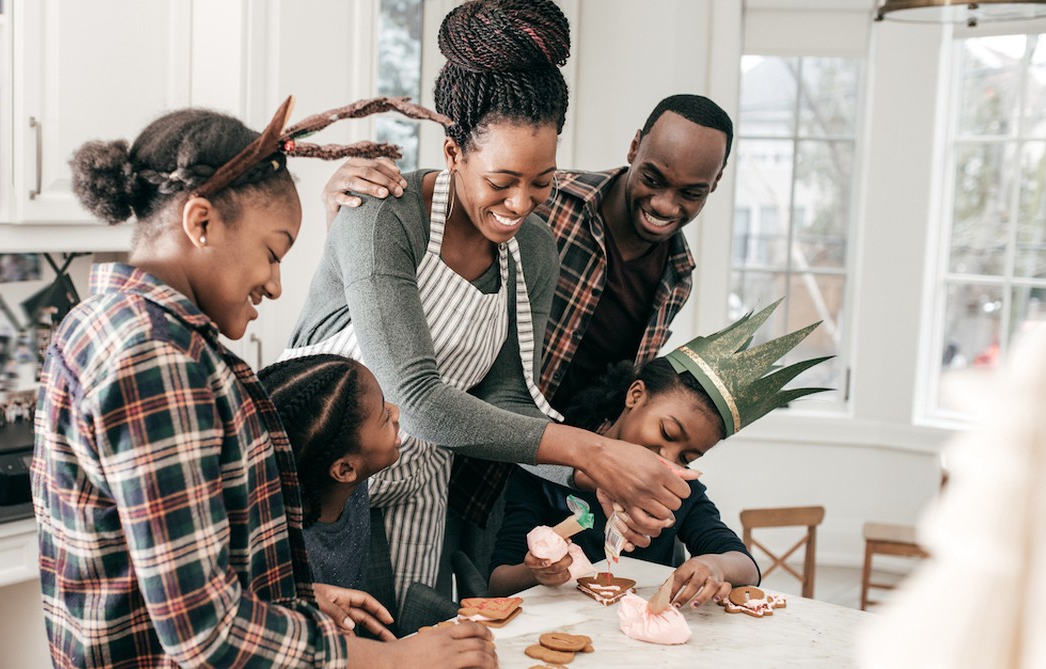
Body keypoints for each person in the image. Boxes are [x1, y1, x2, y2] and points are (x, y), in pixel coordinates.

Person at [32, 101, 497, 668]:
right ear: (200, 222)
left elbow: (175, 568)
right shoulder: (156, 360)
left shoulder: (101, 324)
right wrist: (397, 662)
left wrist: (295, 600)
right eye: (272, 253)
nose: (276, 286)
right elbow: (205, 631)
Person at [283, 0, 696, 610]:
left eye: (542, 181)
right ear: (453, 152)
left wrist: (594, 478)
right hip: (319, 483)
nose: (522, 203)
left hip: (423, 477)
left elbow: (506, 396)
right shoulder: (381, 218)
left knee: (418, 627)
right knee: (335, 637)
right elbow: (419, 400)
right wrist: (595, 451)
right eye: (501, 181)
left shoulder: (533, 247)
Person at [323, 94, 734, 550]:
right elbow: (471, 174)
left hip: (556, 471)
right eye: (654, 178)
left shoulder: (678, 276)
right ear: (634, 148)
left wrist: (604, 467)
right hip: (469, 450)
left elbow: (515, 390)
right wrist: (350, 199)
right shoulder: (550, 203)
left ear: (714, 185)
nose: (664, 203)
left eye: (691, 193)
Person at [489, 301, 829, 609]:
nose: (667, 458)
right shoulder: (546, 474)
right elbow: (498, 580)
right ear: (635, 395)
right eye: (667, 433)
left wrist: (715, 565)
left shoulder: (676, 494)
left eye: (687, 458)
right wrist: (538, 572)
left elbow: (745, 565)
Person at [259, 354, 401, 594]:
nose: (396, 412)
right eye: (384, 417)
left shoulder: (353, 488)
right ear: (345, 470)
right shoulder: (290, 555)